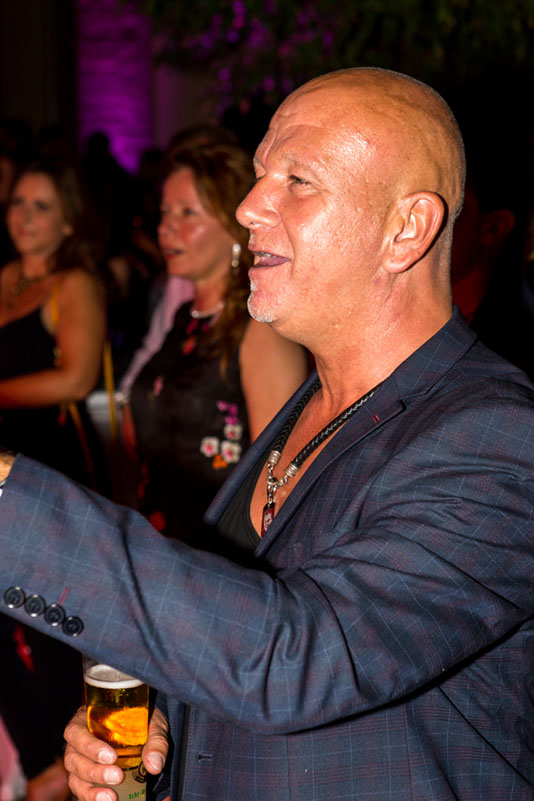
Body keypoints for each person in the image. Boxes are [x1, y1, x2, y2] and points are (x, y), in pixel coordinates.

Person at [0, 68, 533, 801]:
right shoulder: (311, 408)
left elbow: (298, 657)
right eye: (258, 176)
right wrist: (159, 737)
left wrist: (8, 497)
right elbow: (243, 648)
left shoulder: (497, 435)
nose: (249, 207)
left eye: (298, 180)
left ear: (406, 229)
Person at [125, 139, 308, 540]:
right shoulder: (184, 318)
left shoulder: (260, 327)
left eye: (188, 212)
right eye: (165, 212)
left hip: (215, 552)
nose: (166, 227)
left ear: (233, 224)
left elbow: (276, 479)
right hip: (158, 538)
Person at [0, 157, 107, 801]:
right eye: (18, 202)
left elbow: (76, 378)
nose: (25, 216)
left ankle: (66, 765)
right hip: (4, 460)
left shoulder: (75, 283)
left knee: (52, 619)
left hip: (49, 467)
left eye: (41, 205)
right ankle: (46, 760)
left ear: (68, 220)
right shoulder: (5, 279)